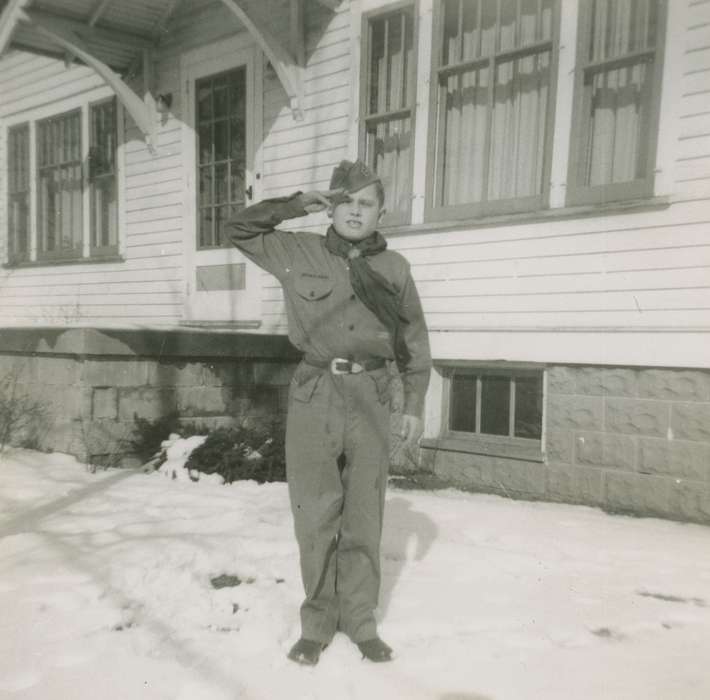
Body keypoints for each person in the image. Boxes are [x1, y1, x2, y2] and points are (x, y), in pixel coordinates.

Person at [227, 160, 431, 665]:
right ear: (331, 207)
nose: (355, 212)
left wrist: (414, 404)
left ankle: (361, 622)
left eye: (366, 203)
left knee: (364, 513)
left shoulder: (395, 268)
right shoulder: (296, 251)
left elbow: (412, 341)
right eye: (346, 201)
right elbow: (237, 229)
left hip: (374, 393)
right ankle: (316, 623)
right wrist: (298, 203)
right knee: (315, 514)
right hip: (315, 391)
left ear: (381, 212)